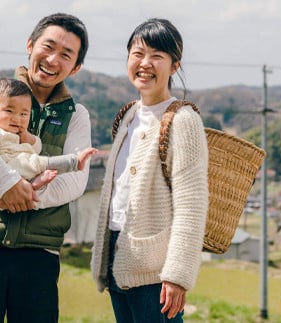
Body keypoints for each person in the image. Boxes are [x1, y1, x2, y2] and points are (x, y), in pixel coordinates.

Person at [0, 13, 91, 323]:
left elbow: (76, 181)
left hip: (39, 256)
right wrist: (5, 181)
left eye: (66, 54)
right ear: (29, 45)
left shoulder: (76, 116)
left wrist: (24, 195)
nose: (52, 59)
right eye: (47, 46)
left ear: (75, 67)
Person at [90, 18, 209, 322]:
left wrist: (178, 275)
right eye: (137, 53)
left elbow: (192, 205)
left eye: (157, 55)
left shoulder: (183, 120)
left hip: (157, 273)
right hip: (118, 257)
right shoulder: (128, 115)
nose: (145, 63)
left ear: (175, 65)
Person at [0, 77, 97, 191]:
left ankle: (35, 184)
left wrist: (28, 138)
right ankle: (74, 162)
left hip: (20, 163)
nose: (17, 119)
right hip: (8, 165)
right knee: (36, 163)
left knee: (36, 161)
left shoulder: (15, 130)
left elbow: (37, 147)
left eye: (23, 114)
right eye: (9, 111)